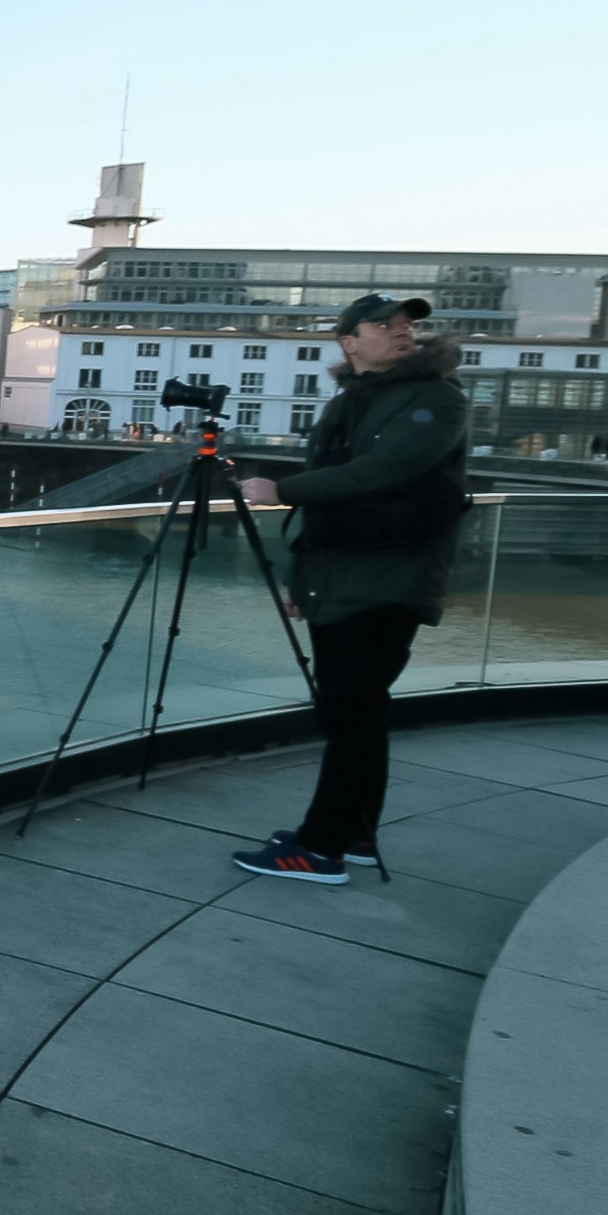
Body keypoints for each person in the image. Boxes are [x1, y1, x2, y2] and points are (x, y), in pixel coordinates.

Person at [230, 293, 469, 883]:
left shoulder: (435, 398)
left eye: (408, 324)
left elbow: (382, 473)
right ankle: (354, 832)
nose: (402, 331)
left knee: (351, 710)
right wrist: (301, 578)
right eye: (385, 323)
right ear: (348, 342)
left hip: (390, 578)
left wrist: (285, 489)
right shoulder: (351, 402)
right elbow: (332, 511)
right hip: (342, 577)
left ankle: (321, 847)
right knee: (353, 712)